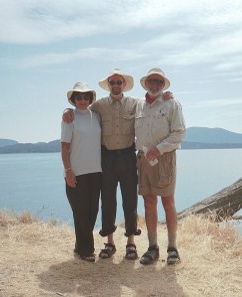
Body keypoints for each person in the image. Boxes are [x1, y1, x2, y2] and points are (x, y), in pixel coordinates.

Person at [62, 69, 173, 261]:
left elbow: (152, 103)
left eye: (118, 83)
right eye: (112, 83)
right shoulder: (99, 106)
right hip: (106, 159)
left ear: (123, 85)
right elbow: (80, 110)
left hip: (128, 157)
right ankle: (110, 243)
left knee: (130, 200)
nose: (115, 86)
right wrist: (66, 111)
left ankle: (131, 243)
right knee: (108, 201)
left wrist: (165, 97)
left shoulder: (135, 104)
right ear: (109, 85)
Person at [135, 68, 186, 265]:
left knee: (168, 202)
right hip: (143, 159)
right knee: (149, 202)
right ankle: (152, 247)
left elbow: (179, 133)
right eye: (151, 81)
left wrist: (160, 148)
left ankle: (172, 248)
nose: (155, 85)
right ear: (146, 84)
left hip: (164, 158)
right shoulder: (138, 105)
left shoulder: (172, 103)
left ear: (163, 85)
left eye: (158, 82)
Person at [61, 82, 102, 262]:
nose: (83, 100)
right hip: (76, 172)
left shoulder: (97, 116)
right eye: (79, 97)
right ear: (74, 100)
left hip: (96, 171)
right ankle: (87, 250)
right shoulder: (69, 118)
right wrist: (68, 170)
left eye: (86, 97)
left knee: (92, 211)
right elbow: (64, 148)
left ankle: (79, 246)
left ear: (91, 99)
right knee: (80, 212)